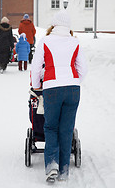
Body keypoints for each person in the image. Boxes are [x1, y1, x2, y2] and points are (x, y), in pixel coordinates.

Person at [31, 10, 87, 183]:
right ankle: (64, 171)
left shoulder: (45, 41)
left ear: (54, 24)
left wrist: (36, 85)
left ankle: (52, 166)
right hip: (73, 89)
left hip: (52, 88)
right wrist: (75, 81)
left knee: (51, 127)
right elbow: (83, 69)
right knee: (66, 129)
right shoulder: (75, 42)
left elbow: (35, 67)